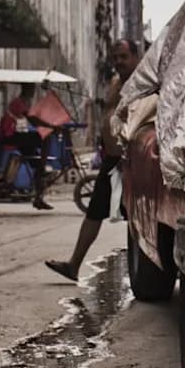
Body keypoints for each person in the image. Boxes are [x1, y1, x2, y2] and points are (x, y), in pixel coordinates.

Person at [45, 39, 141, 282]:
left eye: (123, 57)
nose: (118, 62)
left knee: (137, 217)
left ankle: (146, 273)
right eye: (115, 57)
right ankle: (74, 265)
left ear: (136, 57)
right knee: (96, 211)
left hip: (129, 160)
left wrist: (127, 153)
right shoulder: (116, 82)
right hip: (112, 159)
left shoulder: (143, 84)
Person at [0, 83, 56, 210]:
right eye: (32, 89)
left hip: (18, 136)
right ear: (27, 89)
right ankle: (42, 162)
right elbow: (32, 119)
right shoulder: (18, 102)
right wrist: (51, 126)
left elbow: (33, 119)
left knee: (36, 166)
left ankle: (38, 198)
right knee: (45, 138)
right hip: (11, 137)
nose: (33, 92)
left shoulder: (25, 102)